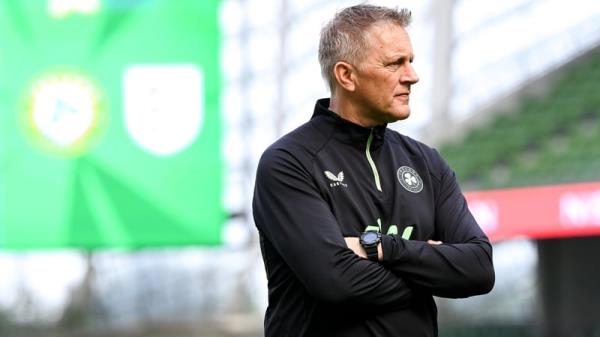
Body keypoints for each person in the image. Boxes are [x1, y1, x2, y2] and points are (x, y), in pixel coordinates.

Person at [252, 4, 495, 337]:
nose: (412, 75)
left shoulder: (426, 163)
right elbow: (337, 283)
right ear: (346, 75)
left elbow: (479, 269)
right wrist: (432, 270)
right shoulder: (288, 162)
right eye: (395, 63)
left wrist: (382, 248)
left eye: (410, 61)